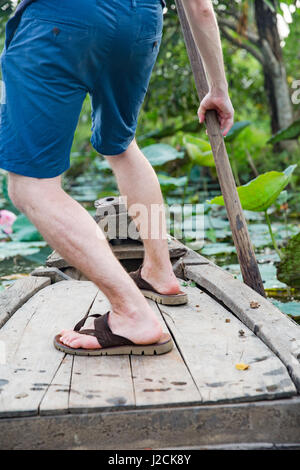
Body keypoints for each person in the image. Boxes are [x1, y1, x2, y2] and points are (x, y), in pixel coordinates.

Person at [0, 0, 234, 355]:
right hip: (141, 21)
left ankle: (130, 313)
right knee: (121, 145)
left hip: (61, 18)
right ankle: (159, 271)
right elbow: (199, 7)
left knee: (31, 186)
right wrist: (219, 88)